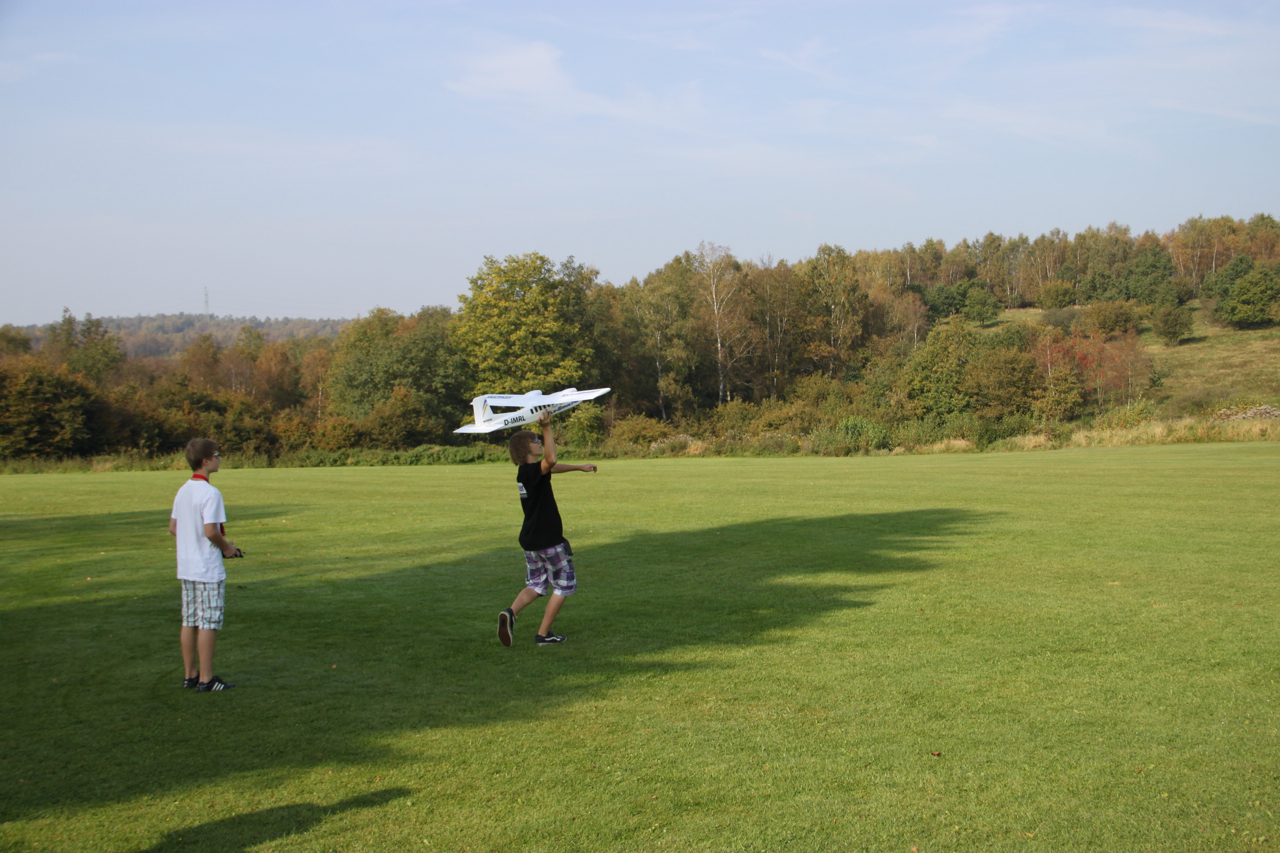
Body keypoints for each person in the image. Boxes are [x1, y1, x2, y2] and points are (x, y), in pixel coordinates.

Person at [498, 410, 597, 647]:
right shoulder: (533, 471)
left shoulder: (527, 472)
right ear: (525, 449)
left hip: (530, 541)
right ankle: (543, 635)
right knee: (563, 585)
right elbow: (550, 460)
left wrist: (578, 467)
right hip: (548, 540)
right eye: (535, 440)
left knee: (536, 585)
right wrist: (546, 426)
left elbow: (550, 466)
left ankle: (510, 613)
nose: (539, 442)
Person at [169, 438, 243, 692]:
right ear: (206, 460)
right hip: (207, 569)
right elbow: (211, 531)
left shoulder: (183, 490)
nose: (220, 459)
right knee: (208, 622)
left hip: (187, 566)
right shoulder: (211, 493)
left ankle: (190, 675)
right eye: (217, 455)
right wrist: (227, 549)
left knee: (189, 620)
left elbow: (174, 527)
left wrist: (196, 540)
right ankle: (206, 679)